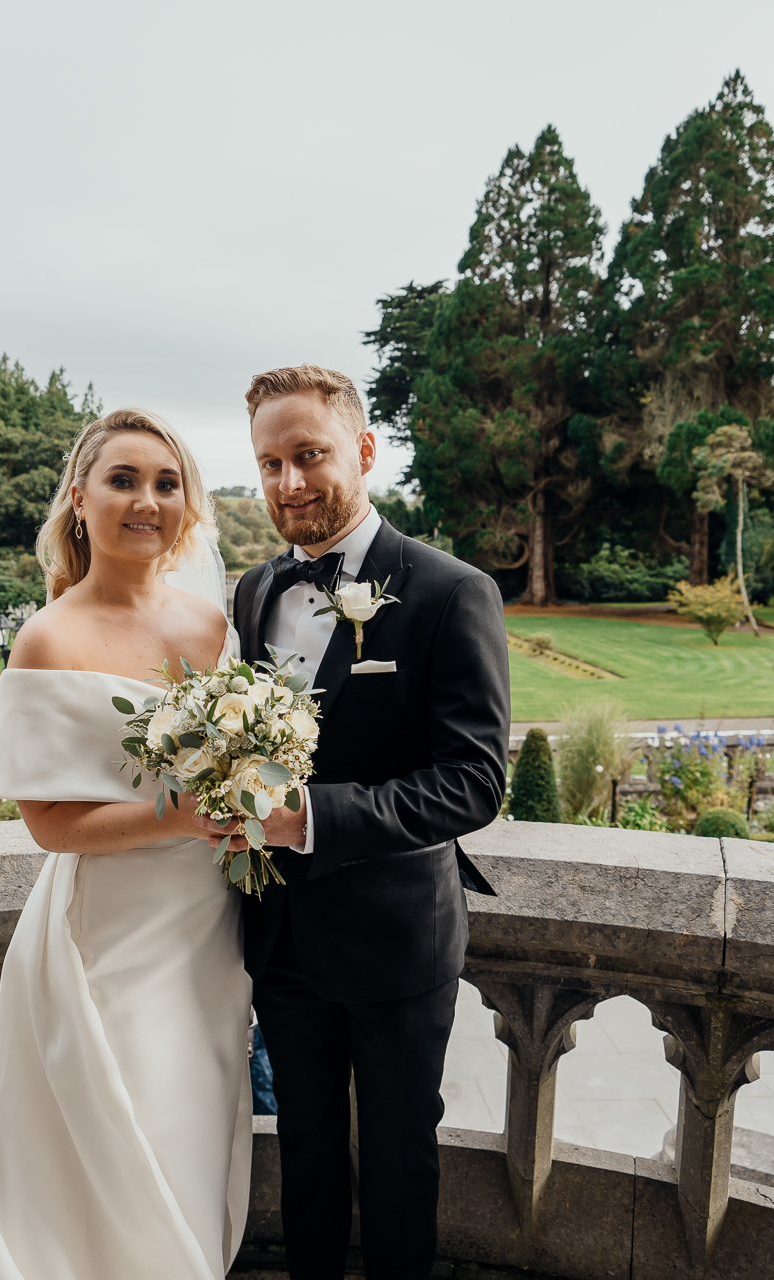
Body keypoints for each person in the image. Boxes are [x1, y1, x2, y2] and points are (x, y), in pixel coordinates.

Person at [200, 365, 510, 1280]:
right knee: (305, 1156)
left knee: (400, 1165)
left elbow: (473, 782)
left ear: (364, 451)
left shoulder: (453, 592)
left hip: (398, 941)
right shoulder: (254, 593)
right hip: (282, 935)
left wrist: (311, 818)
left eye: (309, 456)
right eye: (269, 464)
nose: (288, 484)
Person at [0, 408, 252, 1280]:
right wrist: (181, 817)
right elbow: (48, 822)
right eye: (122, 480)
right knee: (123, 1138)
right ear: (79, 498)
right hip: (107, 936)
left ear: (188, 503)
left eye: (166, 482)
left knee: (191, 1134)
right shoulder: (49, 639)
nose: (146, 500)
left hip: (210, 933)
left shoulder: (215, 630)